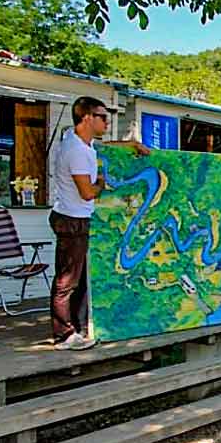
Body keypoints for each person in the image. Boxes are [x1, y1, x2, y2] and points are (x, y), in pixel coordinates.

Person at [49, 96, 149, 351]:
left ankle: (77, 328)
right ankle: (63, 335)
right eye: (102, 117)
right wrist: (102, 183)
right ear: (86, 118)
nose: (107, 122)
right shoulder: (76, 151)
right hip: (72, 220)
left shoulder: (79, 142)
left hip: (75, 218)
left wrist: (130, 145)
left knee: (79, 278)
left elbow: (101, 146)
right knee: (67, 280)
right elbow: (87, 192)